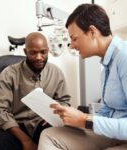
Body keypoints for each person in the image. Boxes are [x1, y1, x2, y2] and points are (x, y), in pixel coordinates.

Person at [38, 4, 127, 150]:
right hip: (113, 135)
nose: (72, 46)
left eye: (74, 38)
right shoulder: (106, 66)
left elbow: (91, 121)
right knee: (49, 136)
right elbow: (106, 112)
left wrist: (85, 120)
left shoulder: (124, 57)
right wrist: (72, 117)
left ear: (92, 32)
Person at [0, 32, 71, 150]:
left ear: (48, 51)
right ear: (25, 52)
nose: (38, 57)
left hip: (44, 125)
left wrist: (53, 115)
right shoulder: (9, 74)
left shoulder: (56, 72)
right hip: (16, 126)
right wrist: (25, 140)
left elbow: (65, 102)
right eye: (33, 53)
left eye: (43, 52)